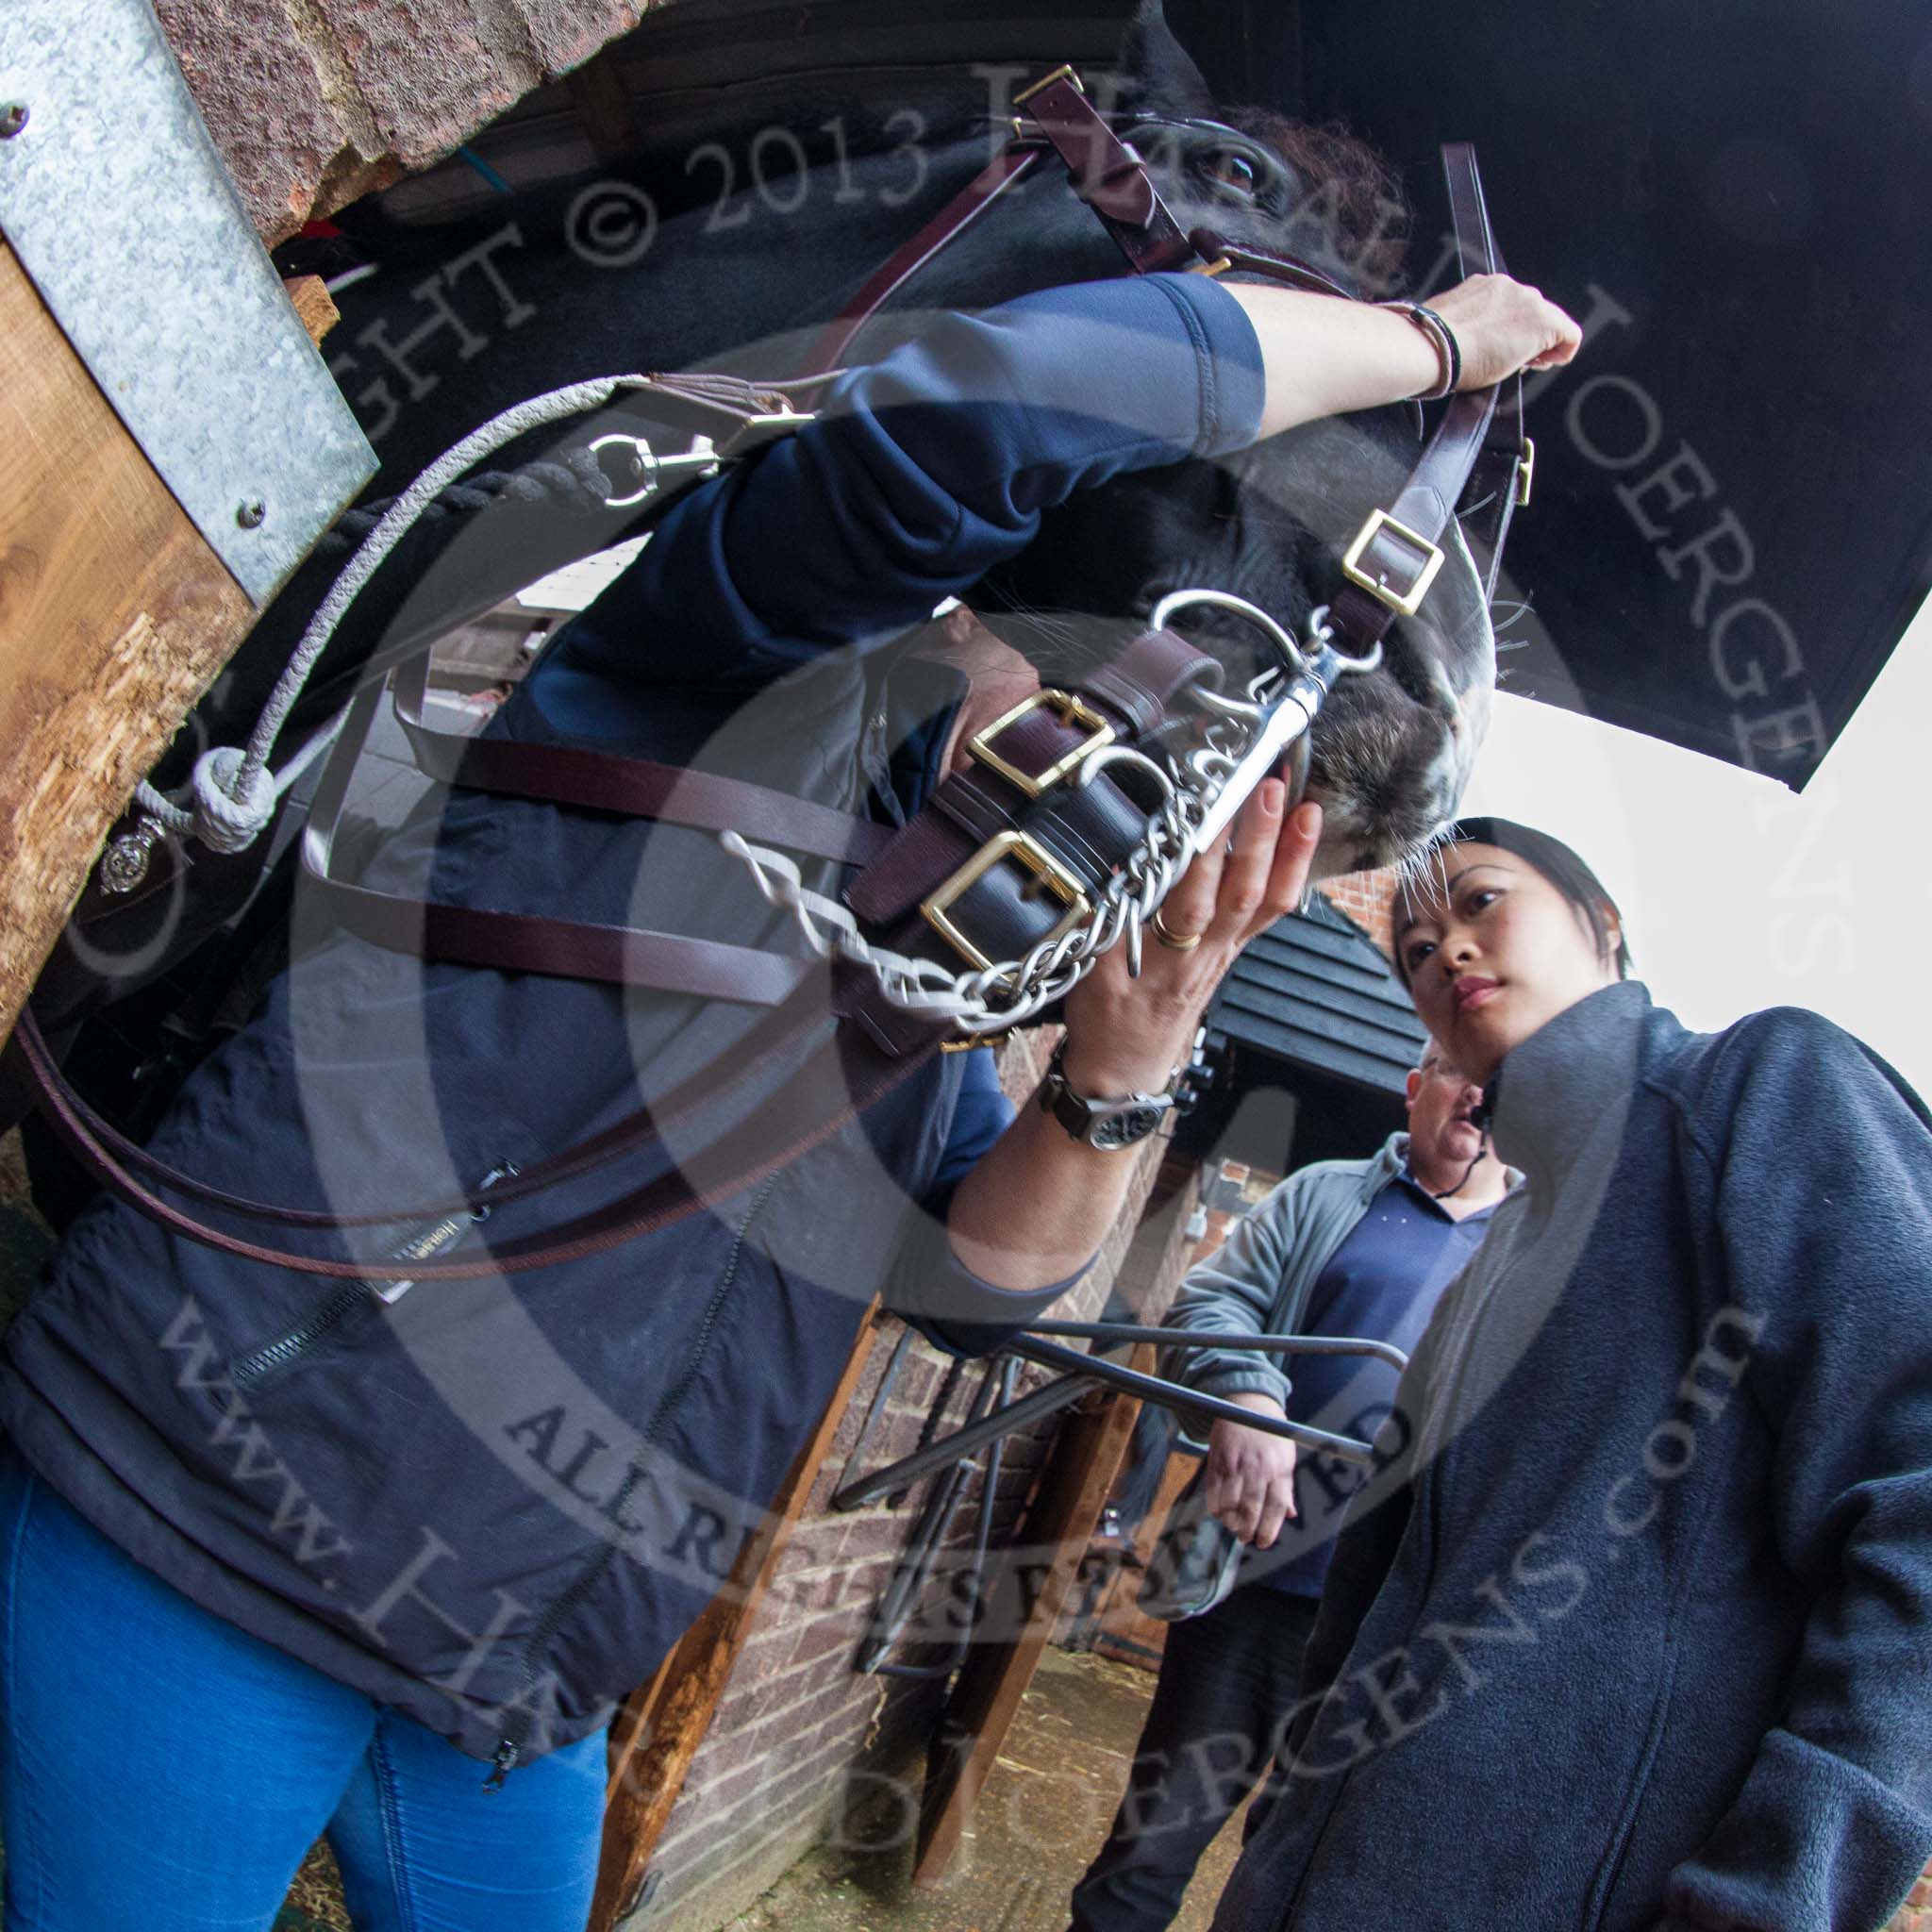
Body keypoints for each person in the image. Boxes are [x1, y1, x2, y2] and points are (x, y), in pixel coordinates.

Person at [0, 260, 1575, 1928]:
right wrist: (1425, 352)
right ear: (1024, 616)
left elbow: (975, 1278)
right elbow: (984, 410)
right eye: (1160, 757)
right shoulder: (730, 653)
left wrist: (1120, 1069)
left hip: (514, 1683)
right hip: (211, 1530)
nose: (1140, 825)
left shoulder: (928, 968)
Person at [1209, 818, 1932, 1932]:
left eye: (1481, 901)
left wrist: (1774, 1900)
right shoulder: (1497, 1249)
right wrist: (1275, 1850)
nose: (1443, 948)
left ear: (1602, 925)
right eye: (1410, 949)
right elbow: (1364, 1601)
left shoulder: (1762, 1088)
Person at [1068, 1043, 1517, 1932]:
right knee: (1153, 1843)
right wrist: (1245, 1394)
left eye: (1498, 1075)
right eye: (1457, 1067)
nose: (1476, 1089)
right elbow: (1210, 1302)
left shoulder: (1537, 1253)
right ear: (1415, 1085)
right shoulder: (1325, 1193)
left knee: (1308, 1883)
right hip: (1259, 1584)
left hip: (1398, 1628)